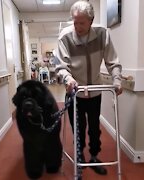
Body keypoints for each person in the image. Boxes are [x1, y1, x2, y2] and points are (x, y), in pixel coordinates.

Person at [55, 0, 122, 175]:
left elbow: (112, 61)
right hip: (75, 92)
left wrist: (117, 80)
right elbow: (61, 66)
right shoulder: (65, 36)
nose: (77, 26)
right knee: (78, 128)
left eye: (82, 22)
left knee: (94, 127)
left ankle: (93, 156)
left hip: (95, 92)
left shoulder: (102, 34)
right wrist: (68, 79)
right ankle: (80, 156)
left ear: (91, 21)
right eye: (75, 22)